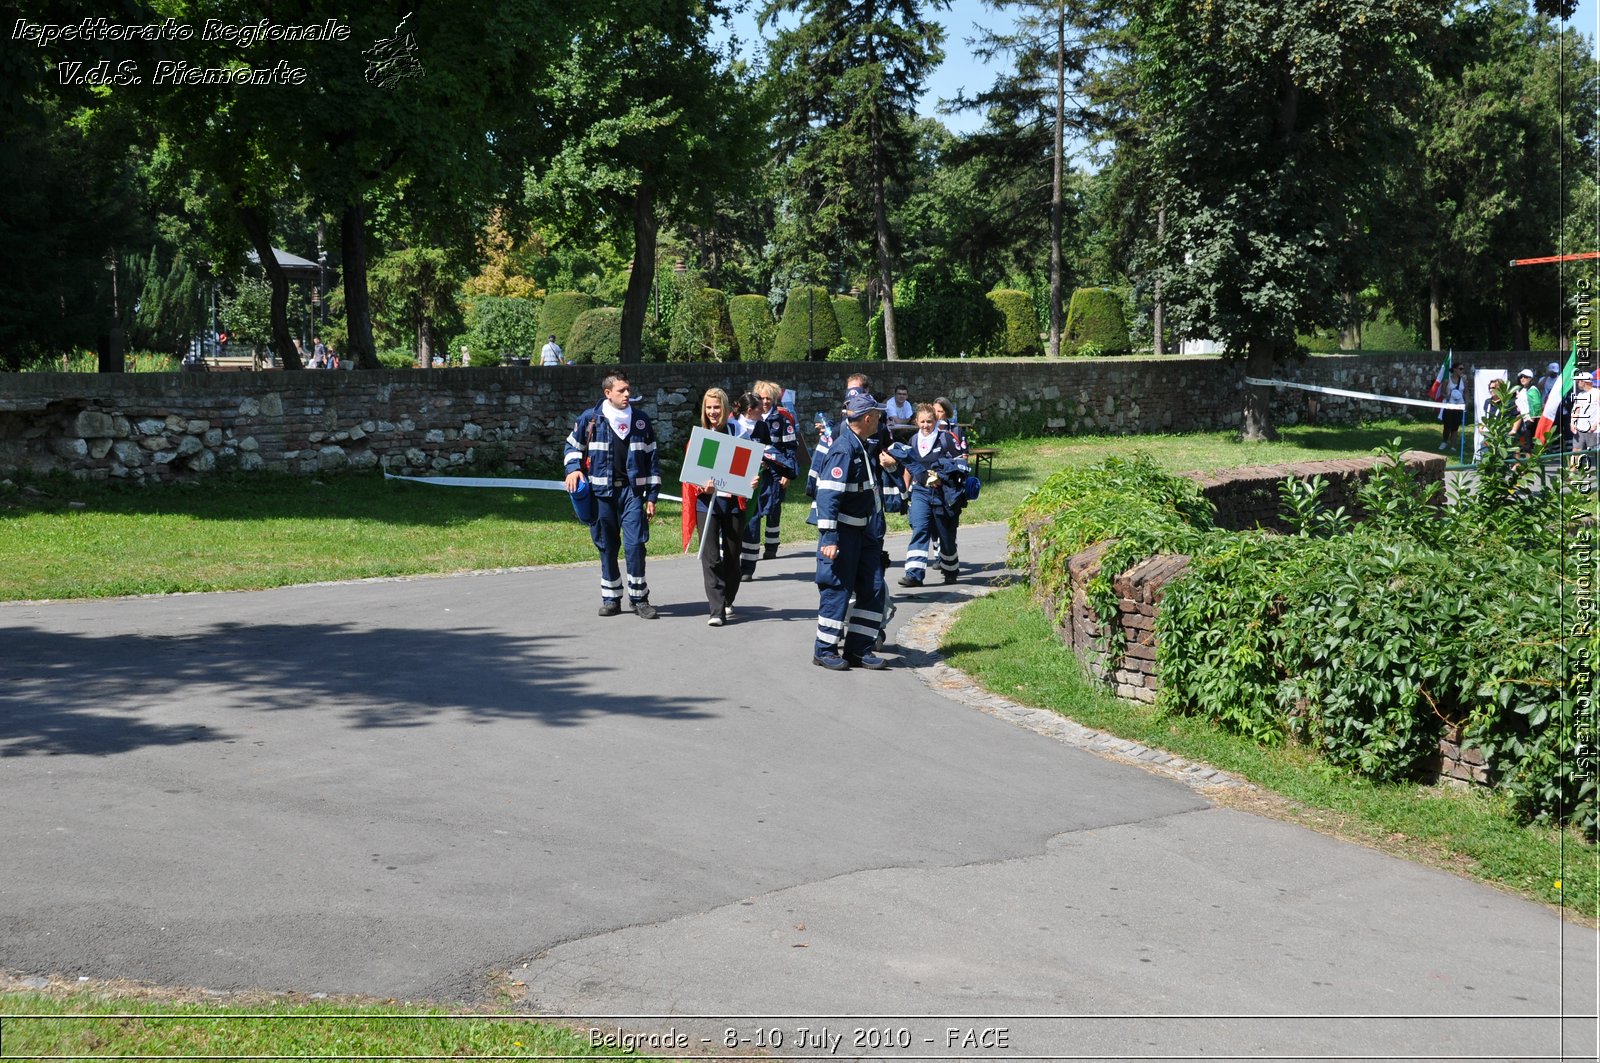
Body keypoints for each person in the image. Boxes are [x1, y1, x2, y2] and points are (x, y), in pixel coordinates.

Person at [563, 372, 661, 619]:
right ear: (607, 393)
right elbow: (572, 447)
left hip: (632, 493)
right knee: (607, 546)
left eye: (628, 389)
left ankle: (639, 599)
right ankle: (611, 598)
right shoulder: (591, 419)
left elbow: (652, 460)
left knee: (635, 544)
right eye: (622, 390)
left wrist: (652, 497)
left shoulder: (640, 420)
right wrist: (573, 469)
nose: (627, 394)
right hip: (601, 493)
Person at [812, 390, 891, 671]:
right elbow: (827, 497)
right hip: (843, 535)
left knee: (873, 588)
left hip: (864, 534)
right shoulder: (844, 449)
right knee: (837, 590)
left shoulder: (862, 445)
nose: (881, 419)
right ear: (868, 418)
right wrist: (830, 538)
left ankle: (858, 649)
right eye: (878, 415)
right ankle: (825, 649)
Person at [691, 388, 760, 625]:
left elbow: (749, 469)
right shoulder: (701, 436)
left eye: (716, 407)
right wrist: (702, 486)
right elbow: (693, 476)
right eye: (708, 408)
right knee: (710, 557)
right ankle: (716, 610)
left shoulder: (738, 433)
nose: (712, 412)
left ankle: (728, 598)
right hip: (706, 504)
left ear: (726, 408)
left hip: (733, 503)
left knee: (732, 557)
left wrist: (752, 479)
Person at [893, 404, 970, 587]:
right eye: (922, 422)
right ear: (916, 422)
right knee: (920, 528)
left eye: (929, 421)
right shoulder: (912, 441)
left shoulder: (946, 439)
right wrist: (905, 492)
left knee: (945, 535)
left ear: (936, 421)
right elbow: (908, 468)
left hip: (943, 494)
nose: (926, 425)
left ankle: (950, 569)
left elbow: (961, 465)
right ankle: (914, 574)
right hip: (920, 492)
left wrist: (941, 477)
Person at [741, 380, 797, 573]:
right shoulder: (745, 418)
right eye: (761, 398)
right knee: (753, 514)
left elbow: (790, 448)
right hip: (752, 474)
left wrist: (786, 472)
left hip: (774, 474)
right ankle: (748, 562)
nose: (765, 402)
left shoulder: (782, 419)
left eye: (768, 399)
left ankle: (771, 546)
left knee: (773, 509)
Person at [1511, 368, 1542, 453]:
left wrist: (1532, 419)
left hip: (1529, 420)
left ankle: (1531, 465)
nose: (1522, 379)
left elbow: (1537, 405)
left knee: (1528, 446)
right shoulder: (1522, 390)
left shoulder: (1533, 389)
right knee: (1521, 444)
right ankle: (1520, 464)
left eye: (1525, 377)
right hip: (1522, 420)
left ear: (1530, 378)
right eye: (1521, 377)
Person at [1571, 370, 1598, 468]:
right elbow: (1576, 410)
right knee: (1576, 450)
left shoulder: (1597, 393)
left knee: (1596, 453)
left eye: (1579, 381)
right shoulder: (1580, 395)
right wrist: (1572, 422)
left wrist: (1596, 424)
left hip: (1594, 429)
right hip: (1580, 428)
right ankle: (1570, 474)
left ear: (1585, 381)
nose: (1578, 383)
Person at [1439, 363, 1467, 451]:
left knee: (1455, 427)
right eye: (1460, 368)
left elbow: (1466, 392)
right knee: (1447, 426)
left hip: (1459, 406)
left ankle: (1453, 446)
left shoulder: (1463, 380)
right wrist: (1448, 396)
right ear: (1455, 369)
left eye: (1463, 369)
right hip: (1449, 406)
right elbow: (1442, 392)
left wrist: (1467, 402)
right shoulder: (1447, 380)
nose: (1462, 370)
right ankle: (1444, 442)